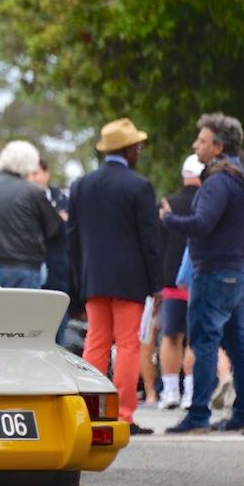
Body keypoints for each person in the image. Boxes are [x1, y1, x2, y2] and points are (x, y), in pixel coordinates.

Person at [161, 113, 244, 434]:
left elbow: (202, 224)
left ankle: (197, 415)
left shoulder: (217, 180)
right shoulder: (241, 175)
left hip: (215, 272)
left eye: (201, 141)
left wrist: (170, 219)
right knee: (237, 343)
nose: (195, 145)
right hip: (237, 270)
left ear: (217, 147)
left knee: (203, 341)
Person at [68, 118, 162, 433]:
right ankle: (123, 415)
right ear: (128, 148)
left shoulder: (81, 185)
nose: (139, 150)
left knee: (95, 341)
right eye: (137, 146)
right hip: (129, 279)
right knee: (127, 345)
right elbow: (150, 240)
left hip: (94, 277)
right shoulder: (139, 186)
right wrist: (156, 282)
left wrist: (78, 281)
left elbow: (73, 237)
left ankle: (92, 411)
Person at [0, 140, 62, 288]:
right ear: (29, 163)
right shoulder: (32, 191)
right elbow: (54, 229)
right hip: (24, 267)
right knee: (25, 311)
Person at [157, 155, 205, 410]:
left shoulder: (168, 203)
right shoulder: (207, 202)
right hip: (199, 276)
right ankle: (191, 392)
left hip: (171, 280)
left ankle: (171, 390)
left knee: (170, 336)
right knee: (195, 337)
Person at [28, 158, 72, 343]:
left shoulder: (63, 199)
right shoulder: (22, 200)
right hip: (32, 272)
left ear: (46, 174)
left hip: (57, 272)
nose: (32, 178)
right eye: (28, 174)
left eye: (36, 173)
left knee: (58, 328)